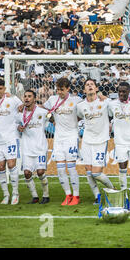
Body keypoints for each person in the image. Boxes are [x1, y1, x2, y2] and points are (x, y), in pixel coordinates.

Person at [43, 78, 82, 206]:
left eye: (62, 90)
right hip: (58, 138)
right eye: (58, 89)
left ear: (68, 89)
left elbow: (83, 112)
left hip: (71, 137)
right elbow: (43, 111)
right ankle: (68, 195)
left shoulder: (76, 100)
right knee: (60, 169)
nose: (59, 92)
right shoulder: (52, 100)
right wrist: (52, 120)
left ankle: (76, 196)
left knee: (71, 168)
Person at [77, 79, 115, 205]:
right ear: (84, 90)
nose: (89, 86)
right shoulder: (81, 106)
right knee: (89, 172)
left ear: (96, 88)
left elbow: (115, 110)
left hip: (101, 141)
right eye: (87, 85)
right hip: (87, 141)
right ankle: (97, 196)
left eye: (92, 84)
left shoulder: (105, 102)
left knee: (96, 173)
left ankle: (112, 191)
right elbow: (77, 117)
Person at [109, 82, 130, 207]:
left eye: (124, 91)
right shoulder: (112, 104)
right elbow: (107, 116)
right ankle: (124, 195)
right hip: (120, 142)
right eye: (120, 91)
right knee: (122, 169)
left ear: (129, 91)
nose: (122, 94)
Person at [16, 90, 50, 204]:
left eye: (29, 96)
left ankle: (46, 195)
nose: (26, 98)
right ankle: (35, 197)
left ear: (34, 98)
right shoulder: (20, 113)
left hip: (40, 147)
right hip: (27, 148)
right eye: (25, 96)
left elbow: (52, 117)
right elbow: (16, 123)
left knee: (40, 172)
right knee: (27, 173)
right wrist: (18, 127)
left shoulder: (42, 112)